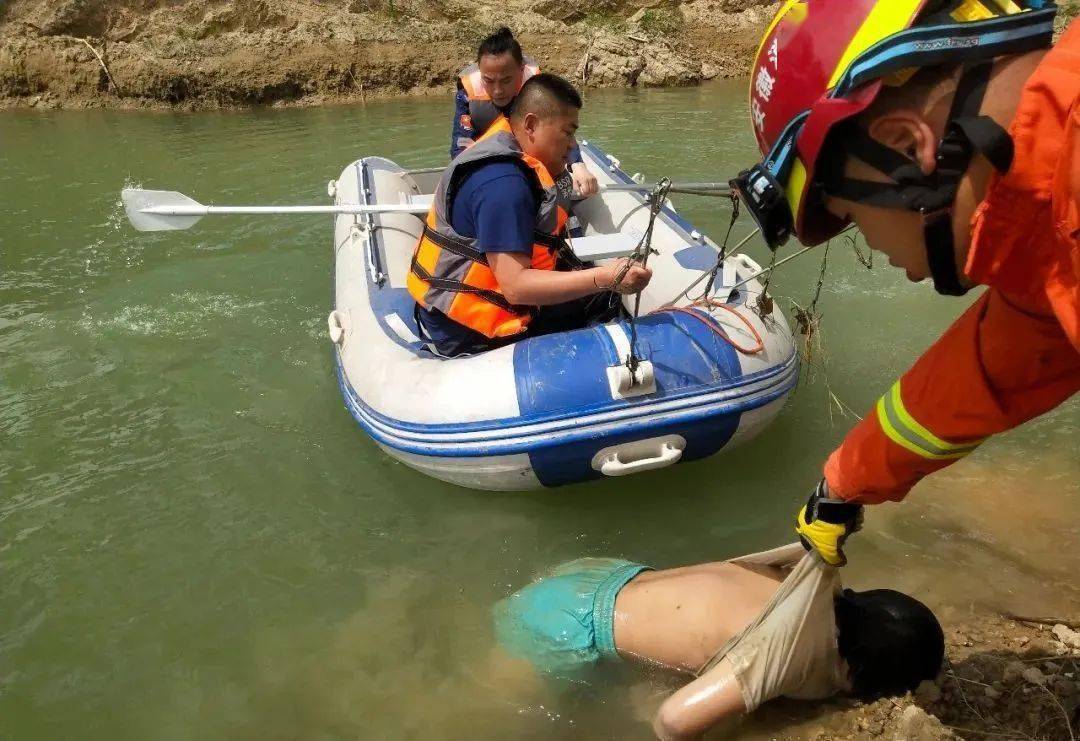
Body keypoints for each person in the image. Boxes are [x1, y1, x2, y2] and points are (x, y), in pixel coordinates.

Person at [727, 0, 1080, 566]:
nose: (879, 252)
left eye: (856, 220)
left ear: (907, 145)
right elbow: (988, 370)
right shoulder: (1049, 237)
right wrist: (843, 485)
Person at [494, 544, 945, 740]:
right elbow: (673, 721)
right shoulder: (788, 652)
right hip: (568, 627)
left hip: (604, 576)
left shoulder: (812, 583)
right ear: (850, 671)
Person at [409, 73, 653, 357]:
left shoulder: (509, 151)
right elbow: (515, 288)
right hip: (467, 330)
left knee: (596, 296)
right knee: (605, 296)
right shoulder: (504, 184)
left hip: (469, 309)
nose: (573, 145)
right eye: (568, 132)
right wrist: (606, 277)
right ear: (531, 125)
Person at [451, 27, 600, 198]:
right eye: (489, 80)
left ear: (521, 70)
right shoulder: (467, 95)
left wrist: (578, 165)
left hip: (531, 163)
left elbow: (563, 131)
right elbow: (460, 150)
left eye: (507, 80)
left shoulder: (539, 91)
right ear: (480, 72)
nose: (498, 90)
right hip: (492, 168)